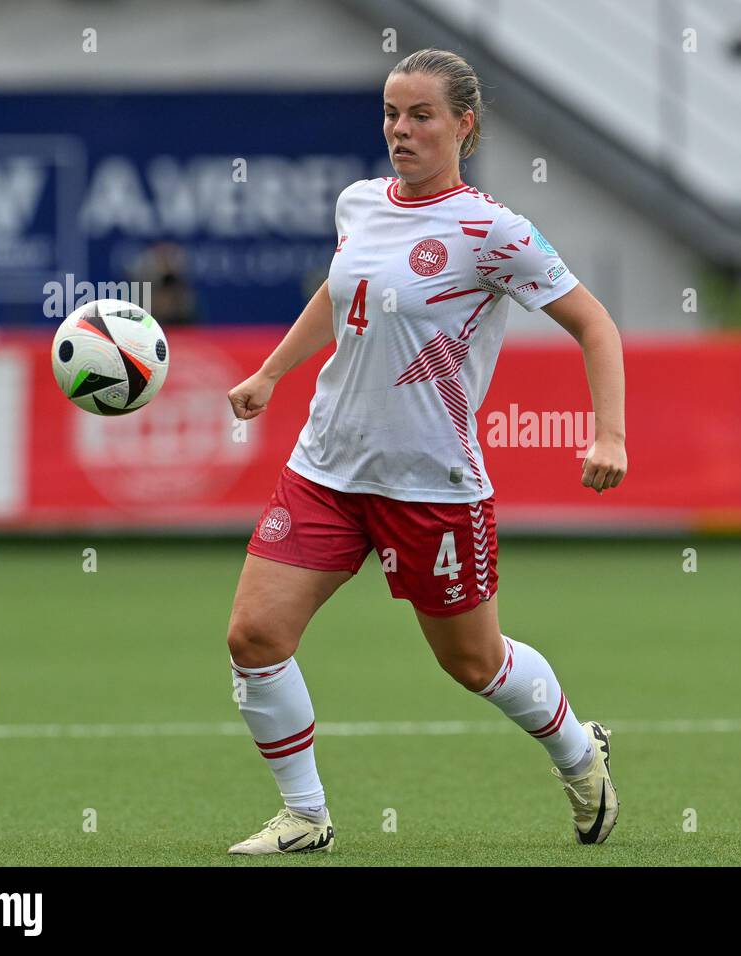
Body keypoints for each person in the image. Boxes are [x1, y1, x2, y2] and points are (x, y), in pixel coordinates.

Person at [223, 49, 627, 855]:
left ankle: (581, 755)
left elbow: (596, 324)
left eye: (420, 116)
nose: (399, 131)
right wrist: (273, 371)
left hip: (432, 487)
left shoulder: (491, 232)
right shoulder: (359, 203)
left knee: (475, 665)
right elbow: (344, 293)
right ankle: (305, 815)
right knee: (254, 636)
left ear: (463, 126)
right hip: (325, 470)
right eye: (390, 114)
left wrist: (609, 431)